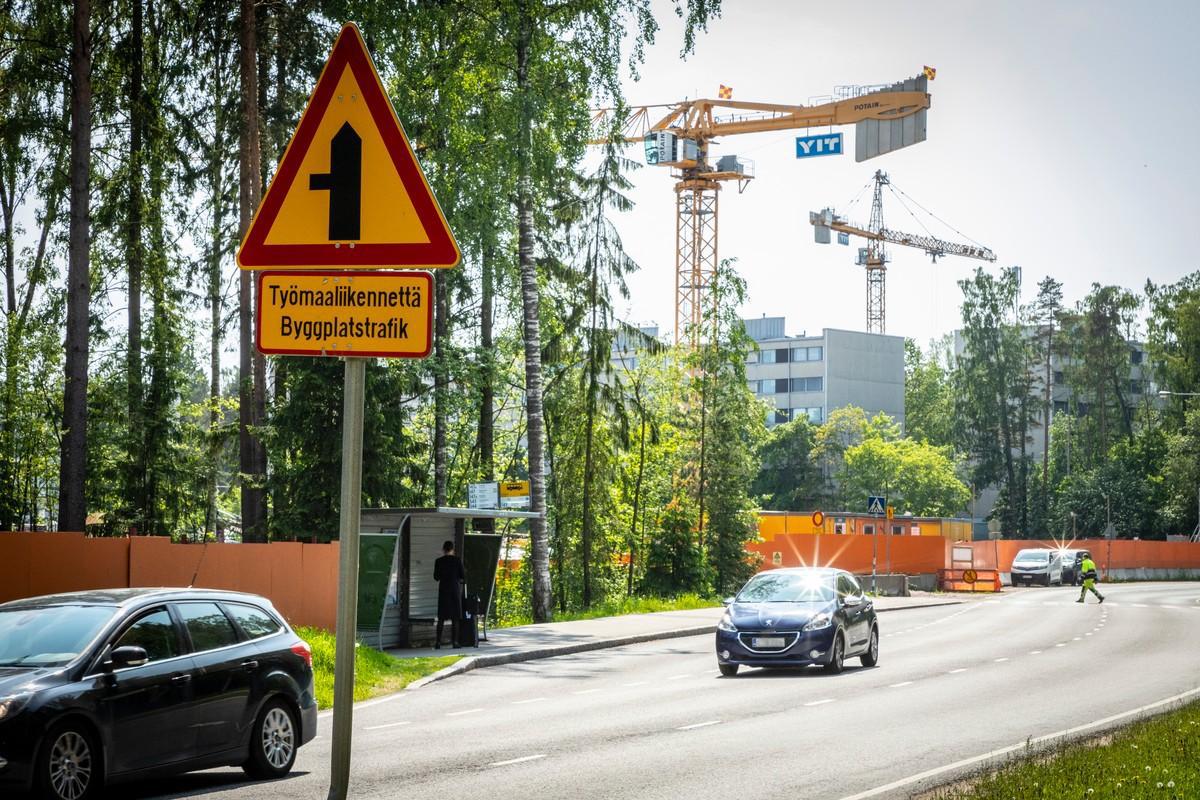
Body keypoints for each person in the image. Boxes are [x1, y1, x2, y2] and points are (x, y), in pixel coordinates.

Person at [433, 540, 465, 648]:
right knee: (455, 618)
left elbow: (436, 577)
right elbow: (462, 576)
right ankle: (455, 642)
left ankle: (438, 642)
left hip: (443, 591)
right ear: (452, 549)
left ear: (443, 549)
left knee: (441, 618)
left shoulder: (438, 561)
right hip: (455, 591)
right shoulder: (457, 560)